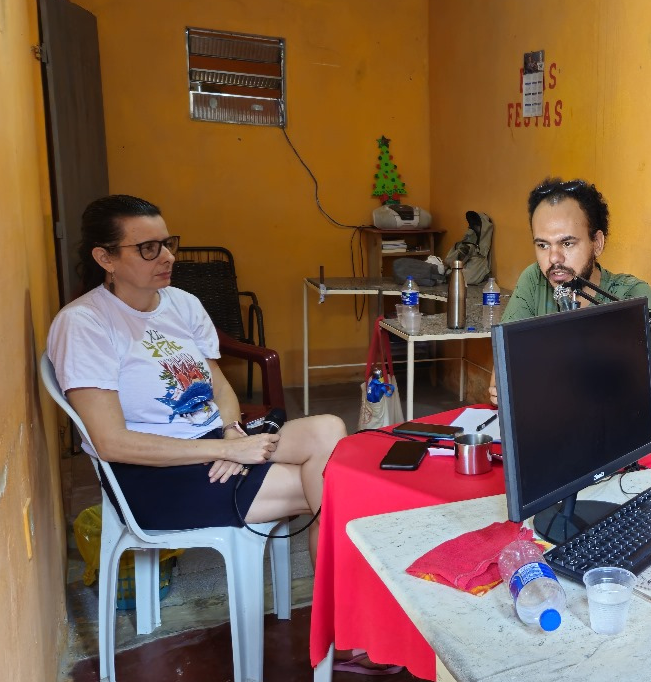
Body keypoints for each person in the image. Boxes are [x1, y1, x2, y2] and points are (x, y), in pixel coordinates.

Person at [48, 195, 396, 675]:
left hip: (214, 447)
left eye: (167, 243)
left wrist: (232, 434)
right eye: (147, 248)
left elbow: (220, 386)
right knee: (341, 487)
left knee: (329, 429)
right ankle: (350, 634)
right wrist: (228, 448)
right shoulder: (84, 324)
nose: (167, 257)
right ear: (105, 258)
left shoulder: (181, 303)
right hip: (155, 478)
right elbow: (111, 442)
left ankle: (342, 626)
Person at [487, 178, 651, 431]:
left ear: (597, 243)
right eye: (542, 245)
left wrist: (542, 387)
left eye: (567, 243)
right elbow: (502, 383)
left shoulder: (632, 295)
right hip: (551, 435)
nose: (554, 259)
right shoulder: (534, 280)